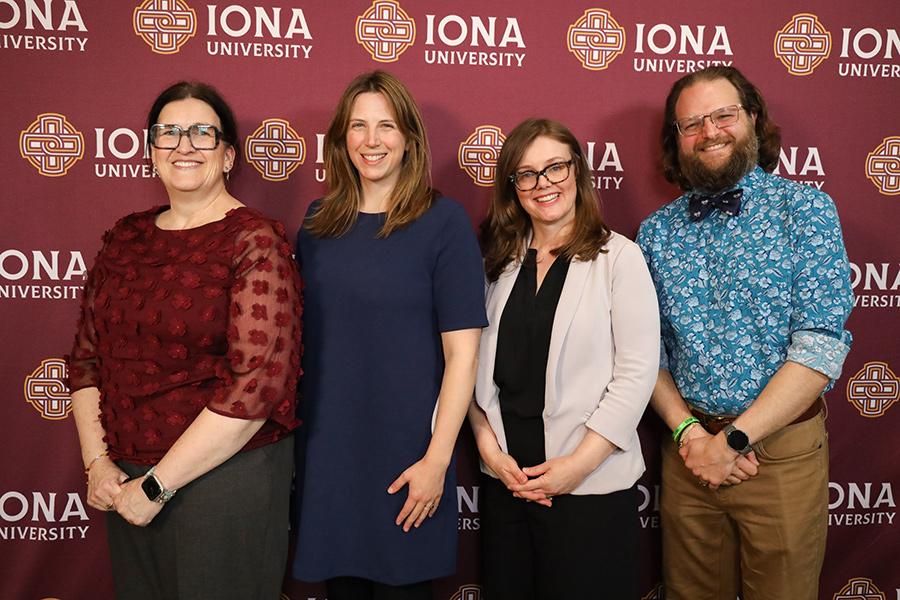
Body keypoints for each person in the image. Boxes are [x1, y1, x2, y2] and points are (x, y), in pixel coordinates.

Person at [67, 81, 303, 600]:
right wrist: (98, 463)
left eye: (201, 132)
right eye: (168, 132)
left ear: (227, 155)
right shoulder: (125, 236)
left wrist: (156, 486)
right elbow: (86, 360)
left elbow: (258, 386)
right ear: (151, 150)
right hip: (123, 482)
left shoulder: (254, 238)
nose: (184, 145)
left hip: (223, 480)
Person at [636, 66, 854, 599]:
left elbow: (820, 346)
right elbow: (645, 355)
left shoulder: (805, 211)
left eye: (723, 115)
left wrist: (733, 440)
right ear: (677, 139)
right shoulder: (655, 233)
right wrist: (692, 437)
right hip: (688, 456)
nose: (709, 131)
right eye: (691, 124)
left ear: (752, 119)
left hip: (779, 456)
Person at [292, 71, 486, 599]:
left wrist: (436, 461)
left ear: (409, 139)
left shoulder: (443, 222)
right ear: (340, 138)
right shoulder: (315, 223)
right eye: (358, 126)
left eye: (386, 126)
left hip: (409, 457)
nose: (371, 140)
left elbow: (462, 355)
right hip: (329, 454)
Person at [468, 118, 660, 599]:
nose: (543, 184)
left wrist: (578, 465)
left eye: (555, 167)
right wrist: (490, 452)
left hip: (589, 490)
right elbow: (467, 371)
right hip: (507, 488)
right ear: (513, 188)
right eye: (527, 174)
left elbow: (636, 373)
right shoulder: (498, 264)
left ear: (578, 171)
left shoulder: (620, 258)